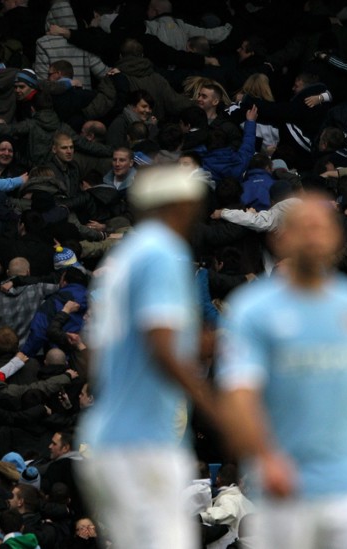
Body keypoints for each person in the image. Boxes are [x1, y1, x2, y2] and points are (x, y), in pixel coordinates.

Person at [217, 194, 347, 549]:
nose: (314, 235)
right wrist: (265, 459)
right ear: (281, 237)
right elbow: (239, 397)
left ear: (336, 238)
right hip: (286, 485)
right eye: (304, 227)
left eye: (322, 227)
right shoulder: (252, 310)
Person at [78, 166, 217, 549]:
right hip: (142, 444)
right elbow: (161, 344)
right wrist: (215, 407)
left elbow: (95, 358)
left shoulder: (125, 259)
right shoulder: (163, 252)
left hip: (113, 437)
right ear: (181, 205)